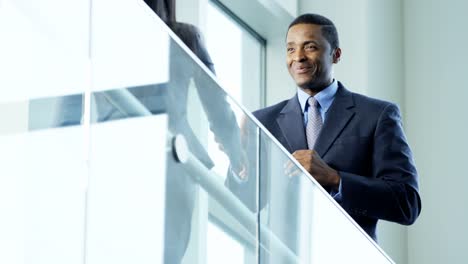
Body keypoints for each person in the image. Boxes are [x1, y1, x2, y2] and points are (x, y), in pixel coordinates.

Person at [251, 13, 421, 241]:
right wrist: (236, 157)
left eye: (310, 47)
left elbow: (406, 203)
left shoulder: (377, 115)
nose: (298, 57)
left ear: (336, 55)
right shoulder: (262, 122)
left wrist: (335, 178)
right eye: (291, 49)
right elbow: (244, 200)